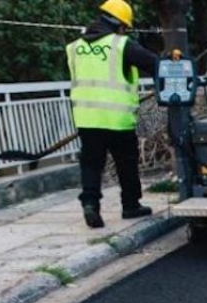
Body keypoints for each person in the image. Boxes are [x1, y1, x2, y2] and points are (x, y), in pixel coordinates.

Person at [67, 0, 158, 229]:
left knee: (90, 164)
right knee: (126, 163)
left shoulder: (74, 47)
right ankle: (130, 205)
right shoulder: (122, 45)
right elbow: (154, 63)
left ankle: (90, 204)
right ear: (120, 24)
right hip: (118, 119)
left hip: (87, 118)